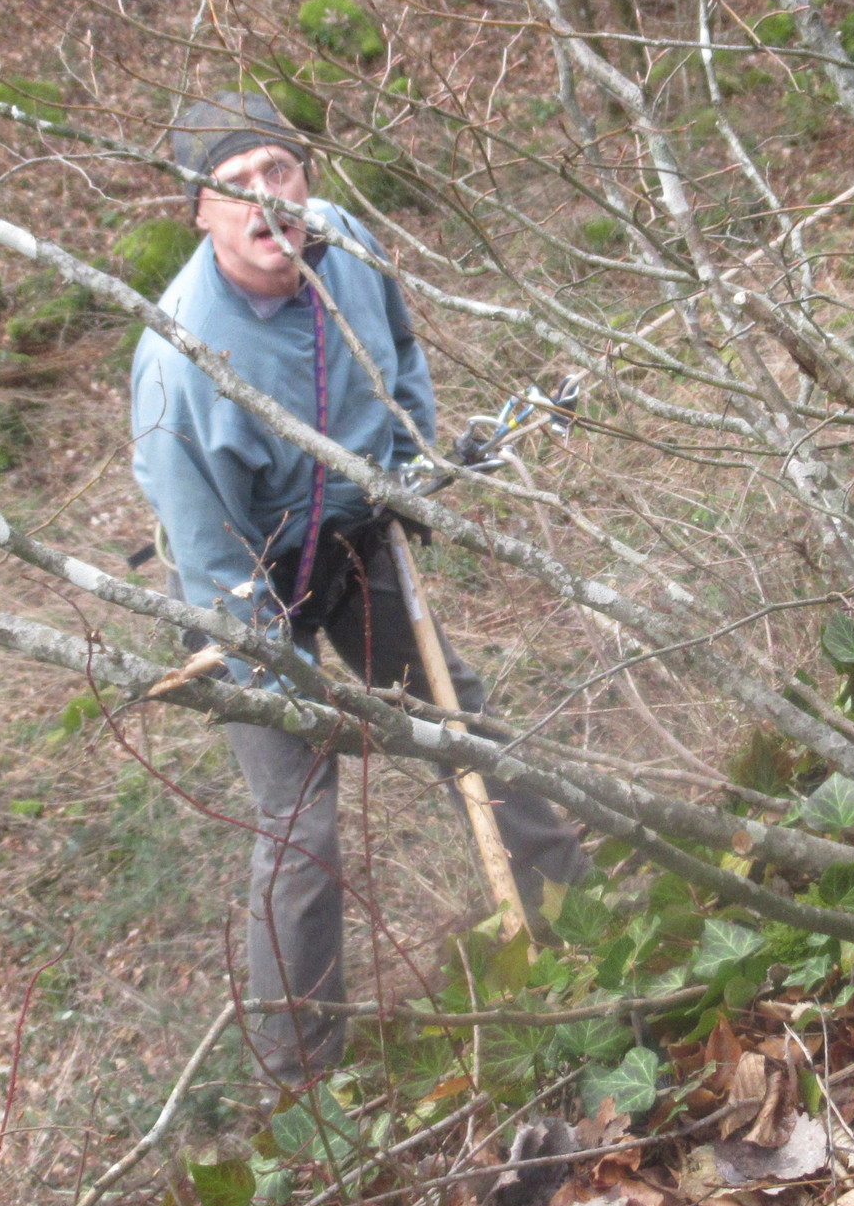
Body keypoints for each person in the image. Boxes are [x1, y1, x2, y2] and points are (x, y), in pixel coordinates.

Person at [129, 96, 588, 1086]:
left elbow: (402, 354)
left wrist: (408, 463)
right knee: (302, 821)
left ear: (307, 176)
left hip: (355, 534)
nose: (267, 200)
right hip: (242, 592)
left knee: (462, 721)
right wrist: (287, 689)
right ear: (199, 211)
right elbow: (208, 555)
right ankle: (297, 1078)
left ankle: (574, 904)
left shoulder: (344, 241)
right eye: (234, 185)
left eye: (280, 170)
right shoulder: (179, 362)